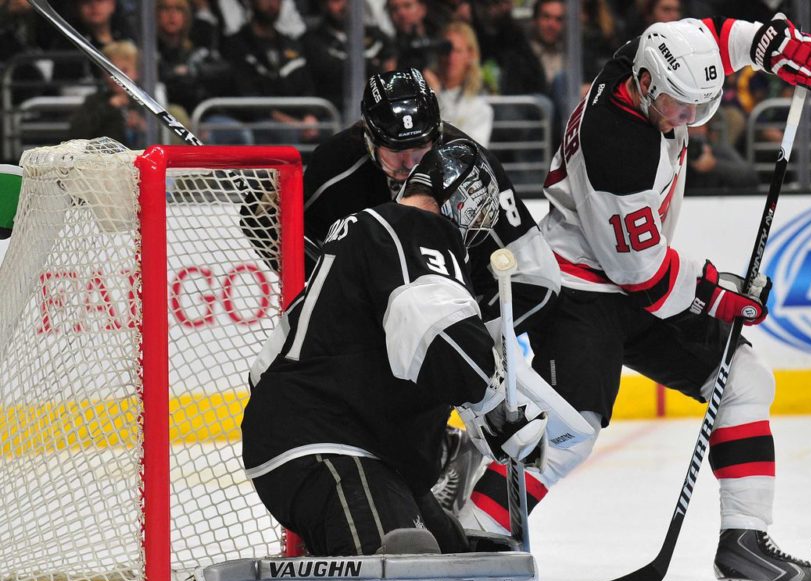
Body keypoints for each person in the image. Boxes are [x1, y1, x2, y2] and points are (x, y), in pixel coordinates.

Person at [460, 15, 811, 581]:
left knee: (742, 379)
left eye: (697, 107)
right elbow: (647, 280)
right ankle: (474, 532)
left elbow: (713, 36)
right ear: (642, 83)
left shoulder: (646, 56)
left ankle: (742, 545)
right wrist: (718, 291)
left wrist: (770, 45)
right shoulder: (619, 150)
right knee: (568, 431)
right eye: (676, 106)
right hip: (582, 287)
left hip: (627, 278)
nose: (685, 120)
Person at [241, 140, 547, 557]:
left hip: (349, 446)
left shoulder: (372, 227)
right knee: (403, 561)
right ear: (462, 200)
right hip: (329, 446)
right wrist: (497, 406)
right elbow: (438, 334)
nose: (473, 236)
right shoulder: (417, 228)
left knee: (455, 555)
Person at [299, 67, 562, 513]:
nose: (408, 164)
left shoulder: (469, 165)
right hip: (378, 310)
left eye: (420, 147)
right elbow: (300, 259)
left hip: (459, 304)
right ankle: (432, 459)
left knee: (422, 386)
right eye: (394, 150)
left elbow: (537, 276)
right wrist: (265, 218)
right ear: (367, 135)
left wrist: (483, 342)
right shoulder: (332, 172)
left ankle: (432, 463)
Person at [220, 0, 320, 144]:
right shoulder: (235, 45)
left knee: (329, 131)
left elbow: (307, 87)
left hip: (297, 121)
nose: (272, 4)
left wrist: (310, 115)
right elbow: (247, 98)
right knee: (283, 134)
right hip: (257, 121)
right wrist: (291, 123)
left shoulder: (291, 44)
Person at [302, 0, 398, 114]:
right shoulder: (313, 40)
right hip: (334, 113)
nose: (344, 5)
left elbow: (390, 68)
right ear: (324, 5)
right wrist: (373, 65)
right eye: (336, 1)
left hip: (378, 111)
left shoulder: (376, 35)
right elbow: (331, 75)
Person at [68, 40, 149, 147]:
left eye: (124, 71)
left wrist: (142, 125)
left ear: (137, 72)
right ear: (103, 73)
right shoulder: (95, 101)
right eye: (112, 72)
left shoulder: (146, 102)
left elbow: (160, 133)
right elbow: (77, 133)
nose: (117, 77)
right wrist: (108, 107)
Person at [432, 21, 494, 146]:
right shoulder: (424, 89)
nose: (451, 57)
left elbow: (472, 151)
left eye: (457, 51)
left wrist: (436, 97)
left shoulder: (479, 105)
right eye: (446, 50)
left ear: (470, 55)